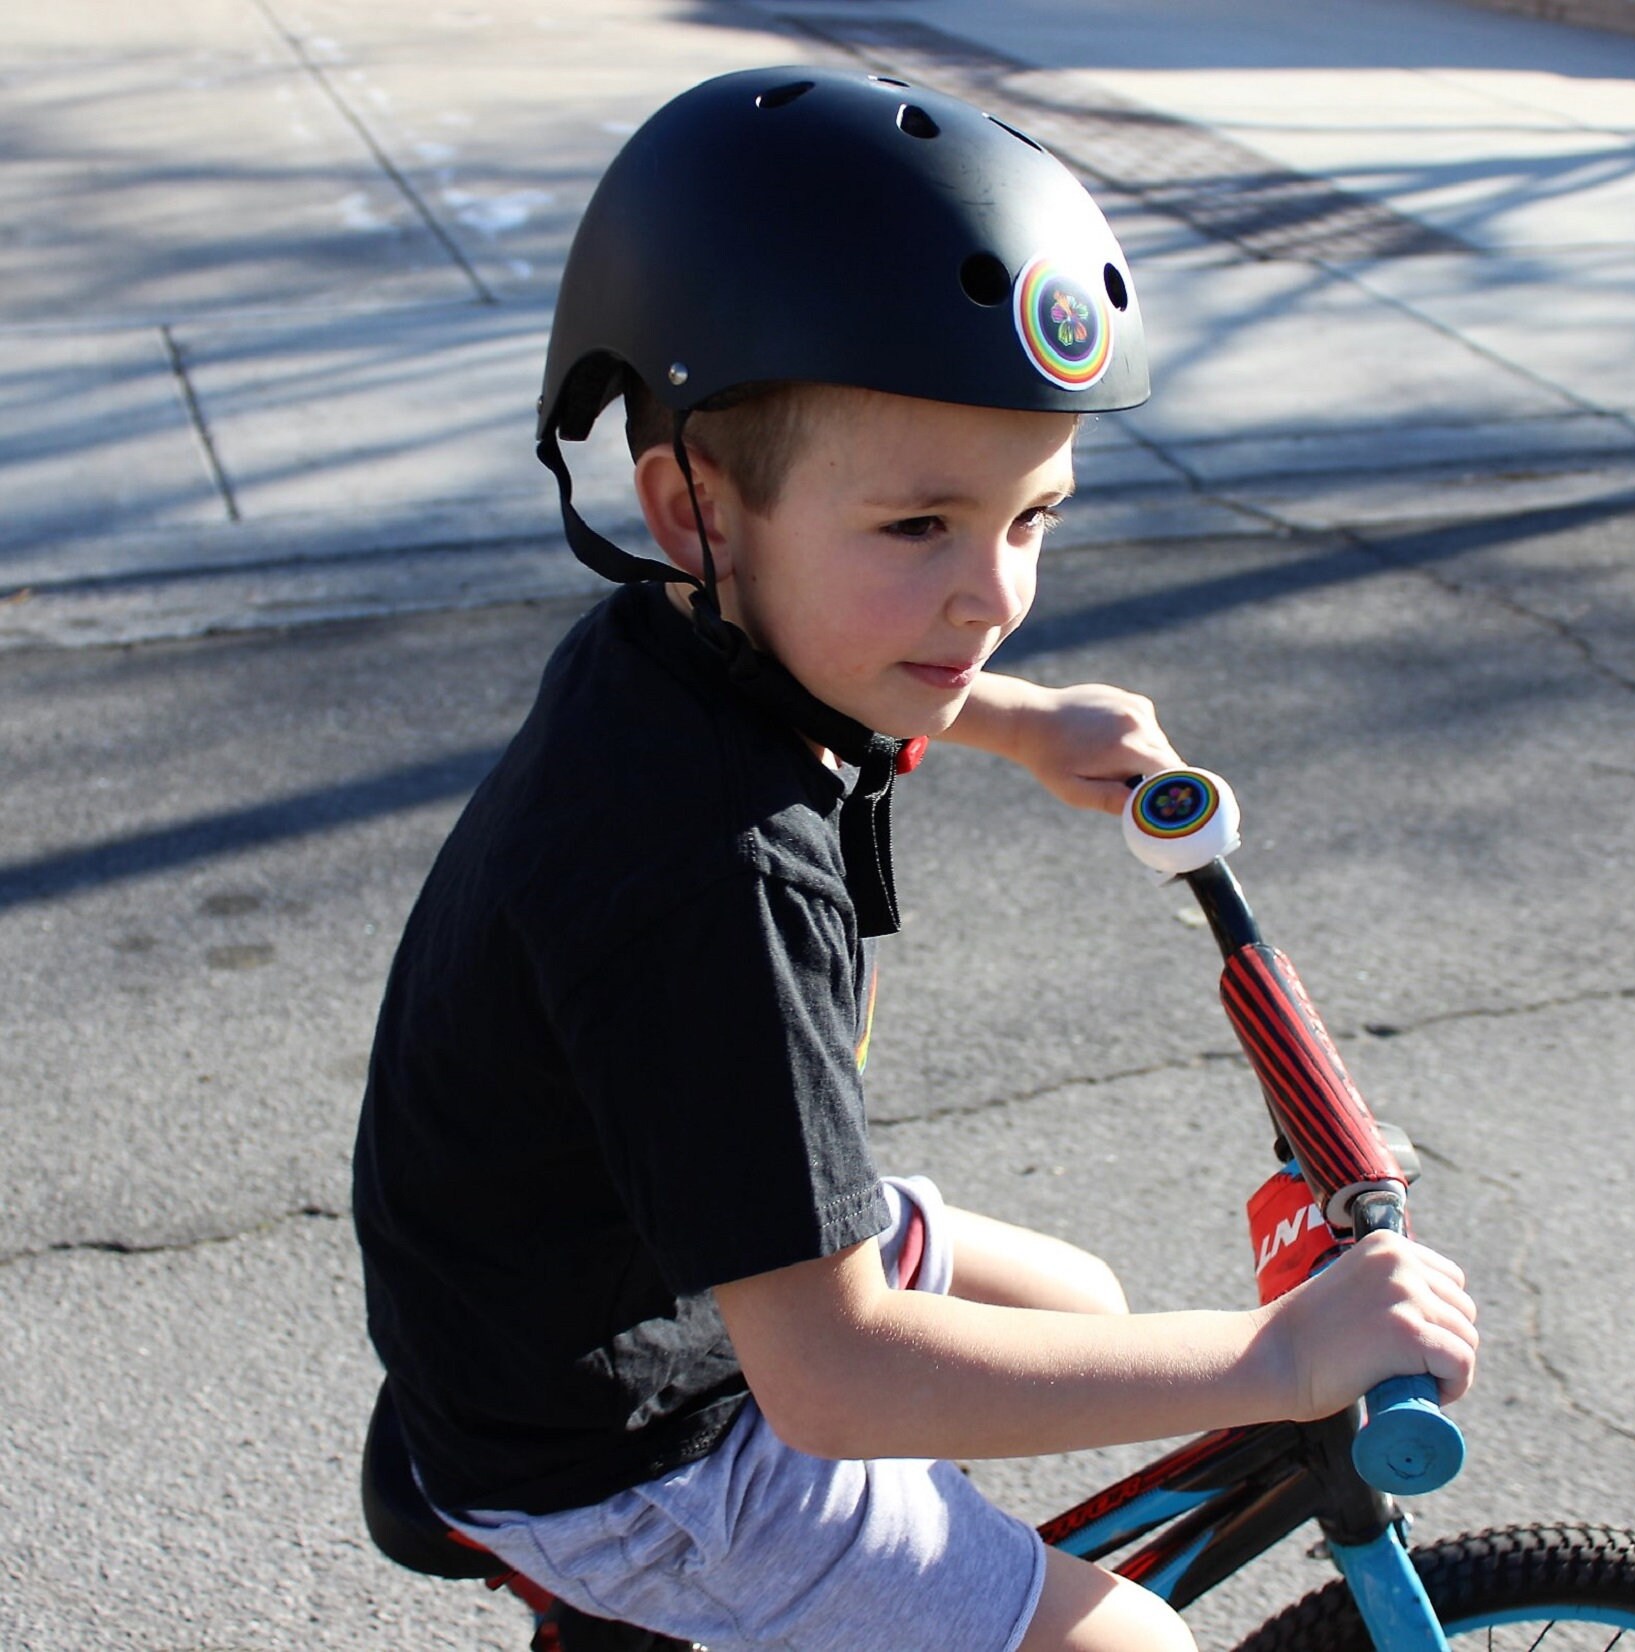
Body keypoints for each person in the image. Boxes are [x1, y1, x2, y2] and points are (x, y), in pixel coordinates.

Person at [352, 65, 1477, 1652]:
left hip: (610, 1264)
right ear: (692, 511)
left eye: (1034, 516)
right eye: (919, 530)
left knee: (1080, 1307)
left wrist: (1015, 725)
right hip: (621, 1448)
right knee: (1139, 1646)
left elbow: (863, 683)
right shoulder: (709, 872)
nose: (992, 596)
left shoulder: (686, 656)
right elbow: (830, 1377)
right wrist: (1276, 1364)